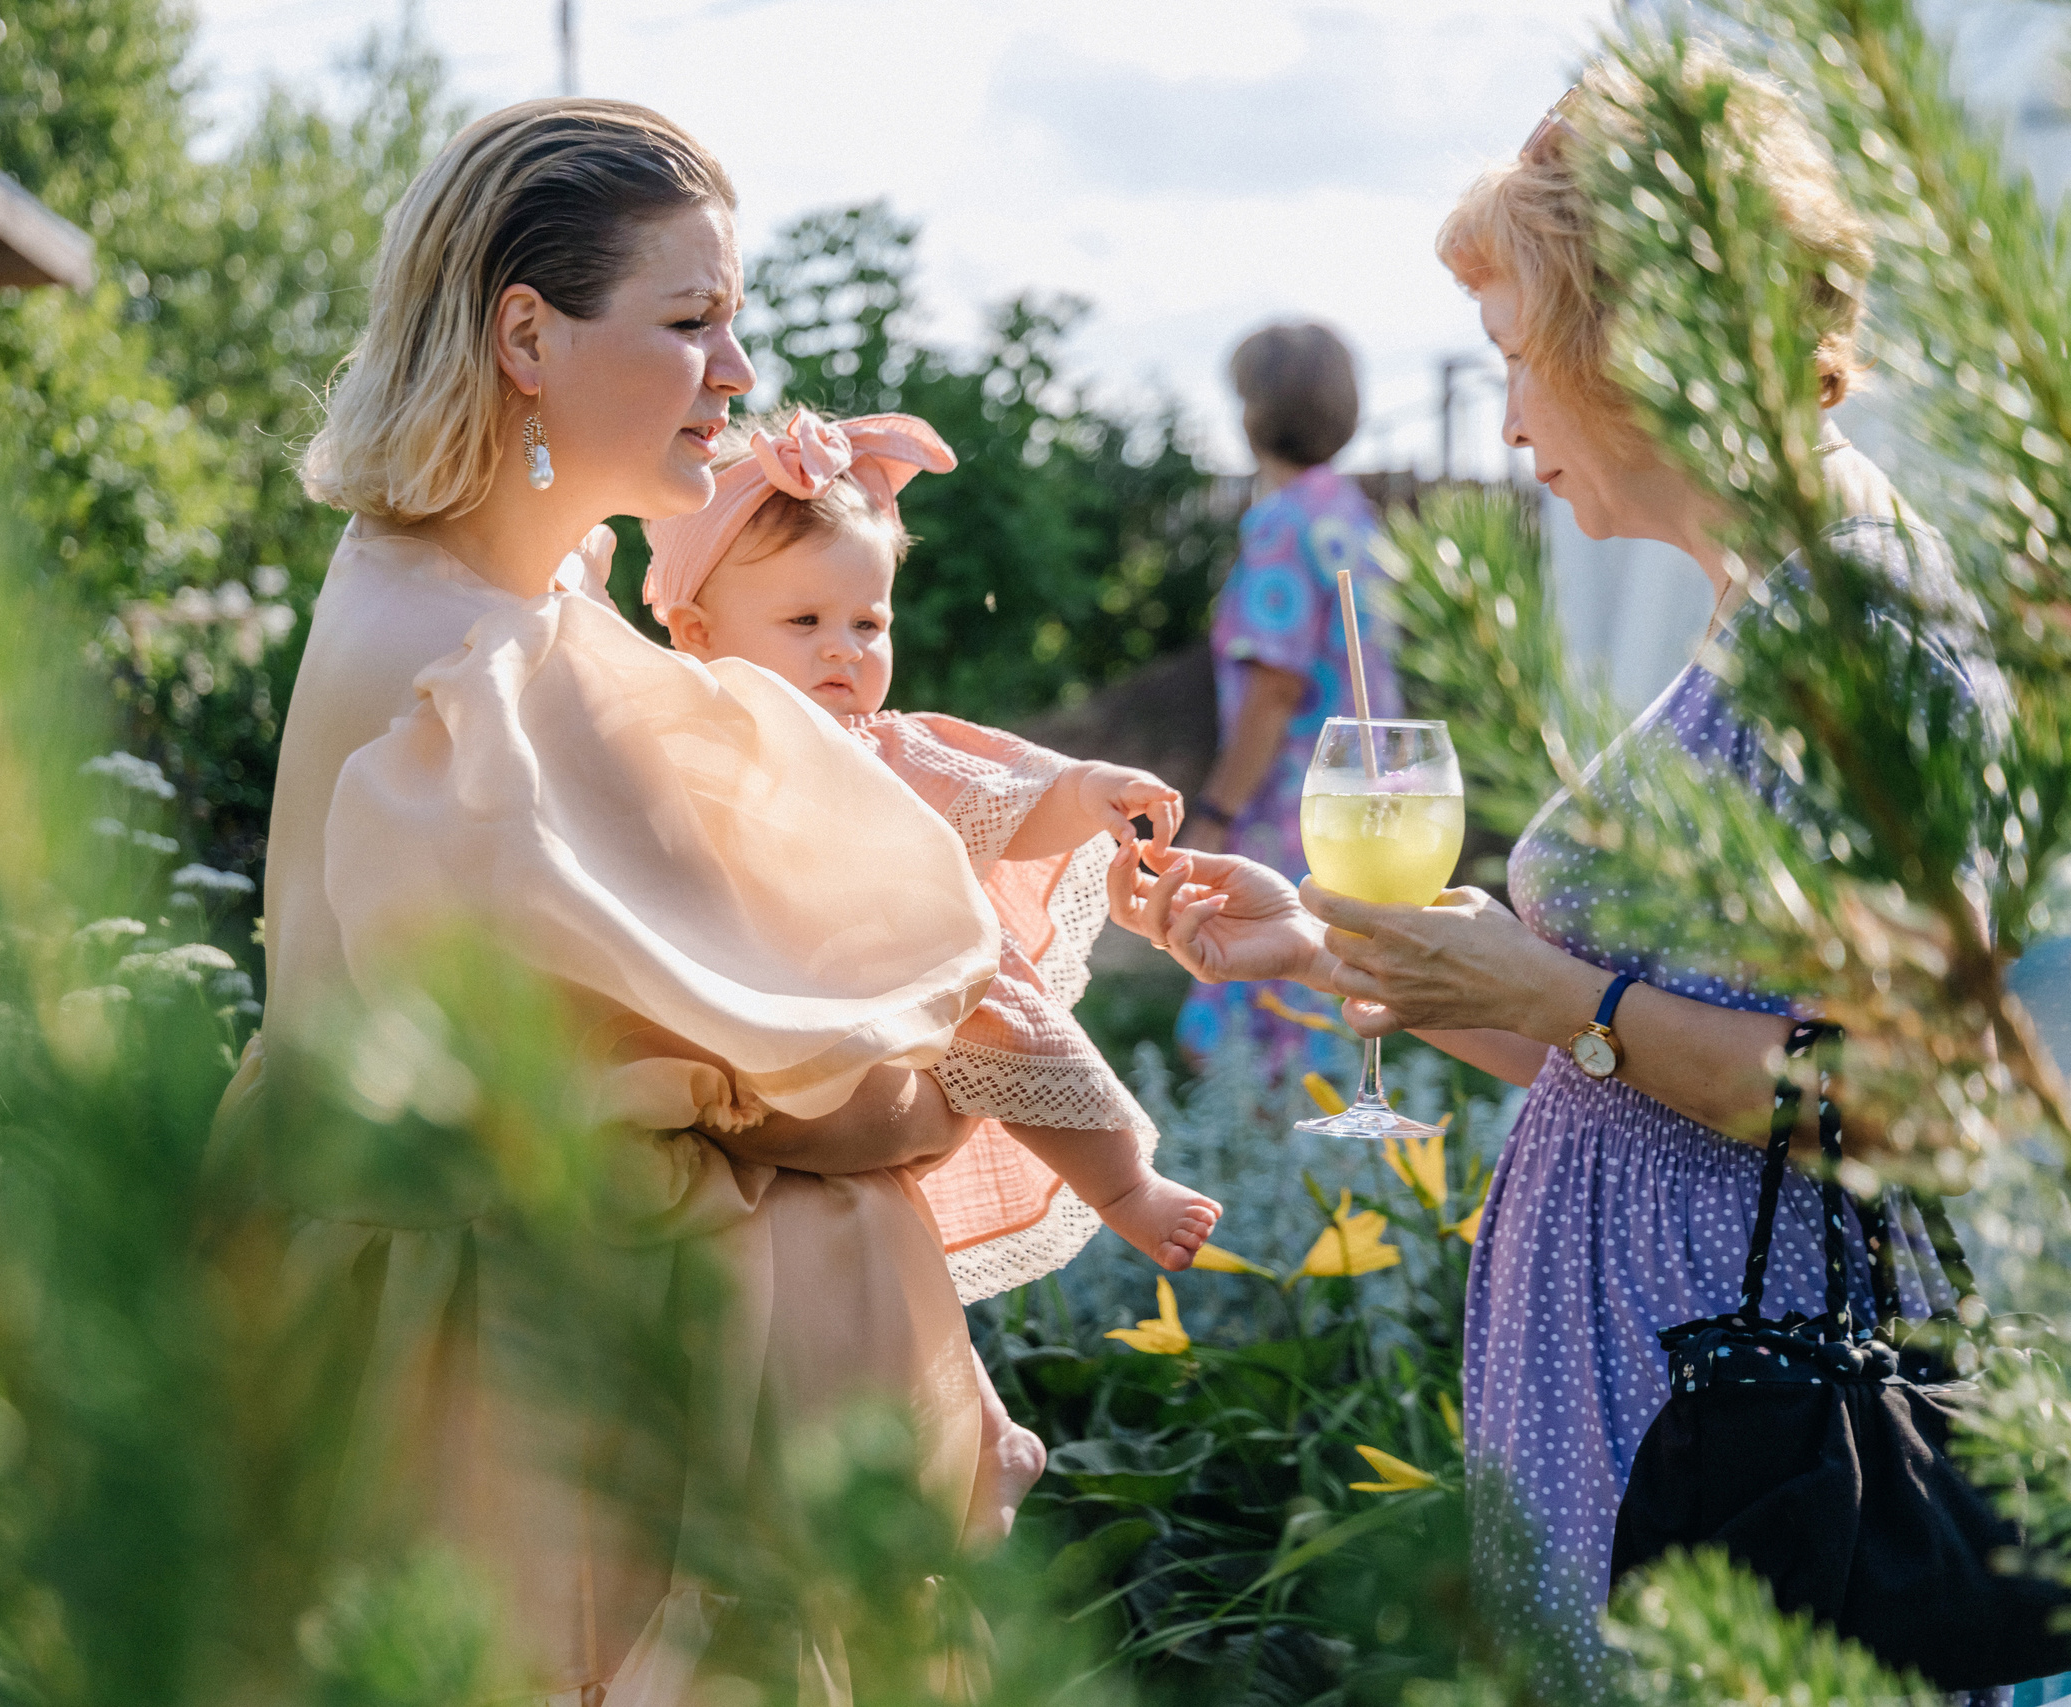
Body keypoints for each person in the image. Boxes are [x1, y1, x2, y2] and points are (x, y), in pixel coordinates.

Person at [1118, 58, 1996, 1693]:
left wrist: (1574, 998)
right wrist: (1315, 944)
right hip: (1656, 1431)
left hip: (1753, 1468)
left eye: (1524, 356)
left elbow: (1921, 1105)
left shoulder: (1869, 636)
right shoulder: (1776, 607)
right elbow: (1601, 1056)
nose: (1509, 414)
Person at [241, 97, 1017, 1703]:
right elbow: (769, 1078)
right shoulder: (475, 663)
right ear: (527, 333)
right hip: (500, 1388)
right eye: (690, 322)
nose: (737, 373)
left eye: (732, 320)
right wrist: (893, 1105)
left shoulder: (487, 578)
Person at [643, 404, 1220, 1280]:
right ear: (697, 634)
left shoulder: (882, 750)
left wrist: (1087, 791)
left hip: (895, 992)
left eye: (867, 624)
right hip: (748, 1014)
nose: (844, 651)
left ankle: (1123, 1188)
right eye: (804, 623)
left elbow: (1004, 800)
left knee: (1004, 1015)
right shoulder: (676, 750)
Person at [1174, 322, 1403, 1077]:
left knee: (1257, 1004)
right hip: (1364, 804)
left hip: (1291, 805)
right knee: (1335, 1008)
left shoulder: (1279, 522)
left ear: (1252, 414)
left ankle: (1257, 1173)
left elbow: (1274, 689)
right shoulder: (1353, 514)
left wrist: (1213, 812)